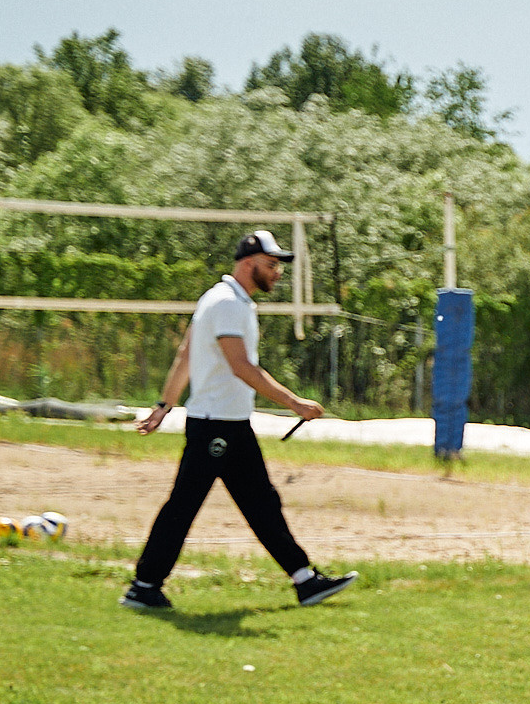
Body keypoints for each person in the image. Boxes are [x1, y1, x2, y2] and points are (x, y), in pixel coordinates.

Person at [121, 231, 357, 613]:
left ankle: (304, 580)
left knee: (262, 503)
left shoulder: (222, 299)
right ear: (249, 263)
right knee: (184, 506)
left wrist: (165, 404)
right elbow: (241, 367)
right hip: (216, 426)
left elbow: (185, 355)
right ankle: (144, 585)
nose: (276, 274)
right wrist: (294, 402)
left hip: (229, 424)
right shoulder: (228, 304)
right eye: (271, 265)